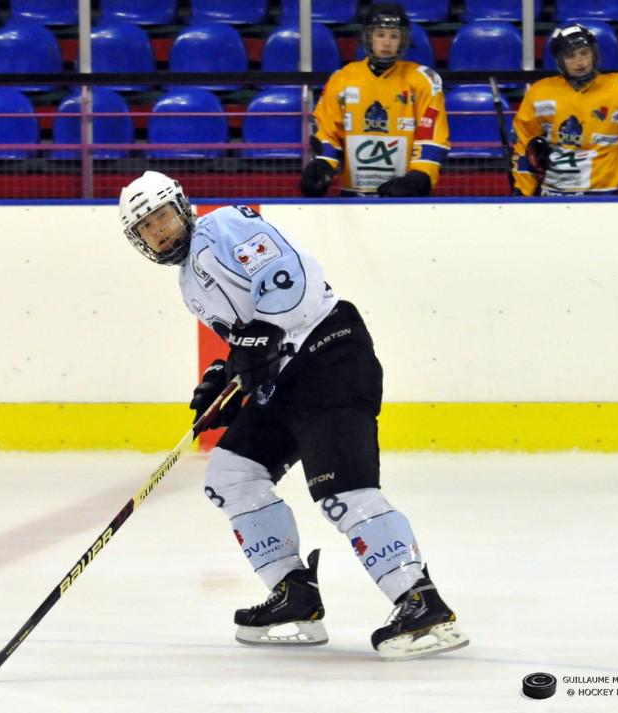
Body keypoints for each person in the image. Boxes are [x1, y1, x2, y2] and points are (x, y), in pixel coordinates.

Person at [118, 170, 469, 660]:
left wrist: (261, 337)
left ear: (181, 208)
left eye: (162, 217)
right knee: (231, 474)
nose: (159, 230)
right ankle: (294, 595)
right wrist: (225, 375)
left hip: (330, 355)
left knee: (343, 492)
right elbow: (248, 338)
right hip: (286, 381)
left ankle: (420, 601)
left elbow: (292, 278)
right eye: (147, 227)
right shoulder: (187, 284)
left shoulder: (224, 226)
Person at [300, 3, 450, 198]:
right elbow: (327, 131)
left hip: (404, 196)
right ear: (368, 37)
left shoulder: (423, 80)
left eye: (394, 36)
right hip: (354, 194)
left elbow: (432, 134)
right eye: (380, 35)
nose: (386, 43)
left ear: (403, 40)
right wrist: (323, 164)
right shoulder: (343, 78)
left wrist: (420, 176)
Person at [512, 24, 618, 196]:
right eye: (570, 56)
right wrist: (523, 189)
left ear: (594, 53)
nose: (580, 62)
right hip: (552, 196)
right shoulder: (539, 92)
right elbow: (524, 143)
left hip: (604, 196)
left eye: (584, 53)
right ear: (560, 60)